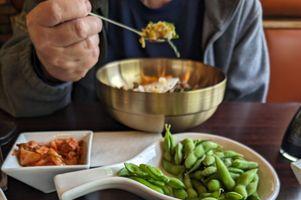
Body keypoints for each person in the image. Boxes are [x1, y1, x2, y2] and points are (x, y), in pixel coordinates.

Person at [0, 0, 269, 117]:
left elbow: (247, 110)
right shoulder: (62, 3)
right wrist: (45, 71)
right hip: (89, 171)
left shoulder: (238, 5)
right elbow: (14, 102)